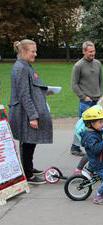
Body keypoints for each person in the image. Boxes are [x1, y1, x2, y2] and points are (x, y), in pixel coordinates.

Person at [9, 39, 52, 184]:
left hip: (26, 111)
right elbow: (24, 94)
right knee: (27, 142)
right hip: (24, 113)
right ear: (23, 51)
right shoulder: (21, 68)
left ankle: (29, 168)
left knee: (30, 141)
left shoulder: (25, 65)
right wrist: (32, 116)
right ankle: (28, 175)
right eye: (33, 51)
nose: (35, 54)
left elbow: (31, 88)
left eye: (35, 51)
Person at [71, 41, 103, 156]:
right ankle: (75, 147)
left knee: (97, 124)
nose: (92, 53)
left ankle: (94, 145)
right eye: (90, 52)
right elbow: (74, 85)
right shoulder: (78, 65)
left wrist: (101, 95)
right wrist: (83, 97)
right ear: (84, 51)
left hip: (97, 100)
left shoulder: (98, 64)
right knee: (83, 125)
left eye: (94, 51)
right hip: (86, 101)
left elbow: (101, 81)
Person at [80, 108, 103, 205]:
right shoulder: (90, 137)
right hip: (98, 164)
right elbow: (96, 149)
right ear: (91, 123)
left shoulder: (98, 133)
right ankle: (98, 196)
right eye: (100, 122)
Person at [74, 93, 103, 173]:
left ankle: (94, 169)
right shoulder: (99, 111)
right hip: (83, 130)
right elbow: (94, 125)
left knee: (99, 148)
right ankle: (79, 169)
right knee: (92, 150)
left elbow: (99, 126)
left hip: (88, 129)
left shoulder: (102, 111)